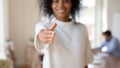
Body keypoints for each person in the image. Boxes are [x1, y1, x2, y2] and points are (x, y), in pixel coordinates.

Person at [34, 0, 93, 68]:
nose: (61, 5)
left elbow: (85, 61)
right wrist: (43, 36)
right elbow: (41, 36)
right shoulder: (44, 27)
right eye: (56, 1)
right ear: (50, 4)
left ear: (72, 4)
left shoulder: (82, 29)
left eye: (66, 1)